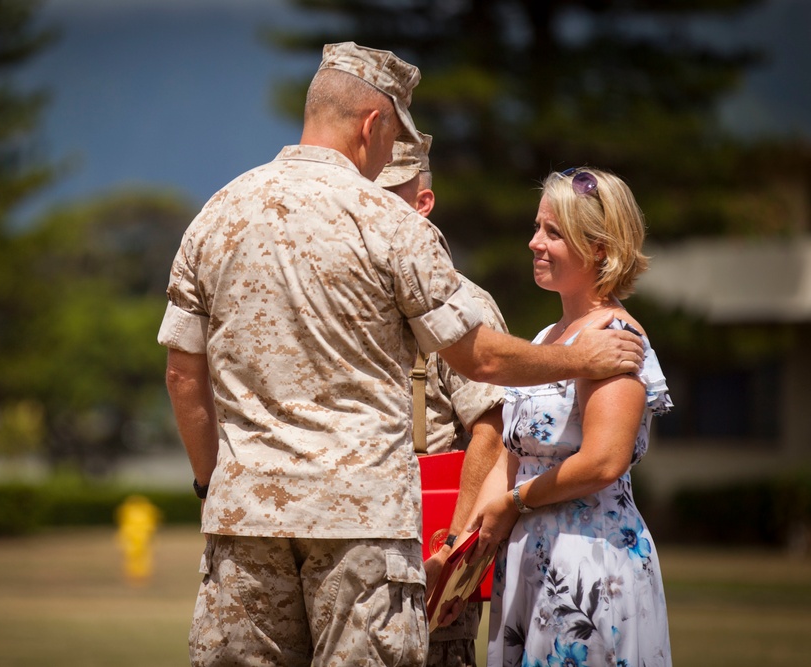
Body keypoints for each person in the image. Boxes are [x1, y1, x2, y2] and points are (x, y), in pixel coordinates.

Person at [158, 38, 645, 667]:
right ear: (372, 124)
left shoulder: (216, 214)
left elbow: (180, 374)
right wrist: (583, 359)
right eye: (394, 137)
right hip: (361, 528)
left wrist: (211, 482)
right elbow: (480, 361)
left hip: (242, 519)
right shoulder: (389, 223)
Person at [467, 167, 674, 667]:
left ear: (600, 248)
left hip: (588, 565)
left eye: (553, 233)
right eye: (537, 228)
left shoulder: (614, 335)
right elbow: (514, 450)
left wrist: (515, 502)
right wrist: (472, 536)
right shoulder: (546, 337)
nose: (535, 243)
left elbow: (605, 462)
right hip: (534, 559)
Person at [377, 135, 506, 667]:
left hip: (432, 541)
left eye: (386, 196)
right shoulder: (352, 301)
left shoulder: (463, 303)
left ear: (422, 205)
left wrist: (452, 555)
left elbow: (493, 431)